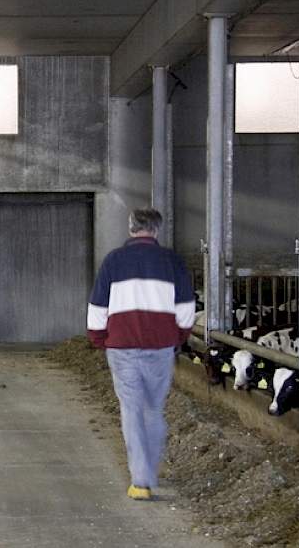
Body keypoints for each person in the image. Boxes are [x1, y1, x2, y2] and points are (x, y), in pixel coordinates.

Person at [86, 208, 194, 500]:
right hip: (159, 347)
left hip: (122, 347)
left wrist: (98, 337)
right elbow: (186, 307)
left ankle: (141, 480)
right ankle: (149, 470)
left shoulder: (114, 260)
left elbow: (98, 304)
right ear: (157, 230)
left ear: (131, 228)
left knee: (131, 409)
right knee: (152, 408)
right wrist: (178, 336)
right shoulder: (172, 261)